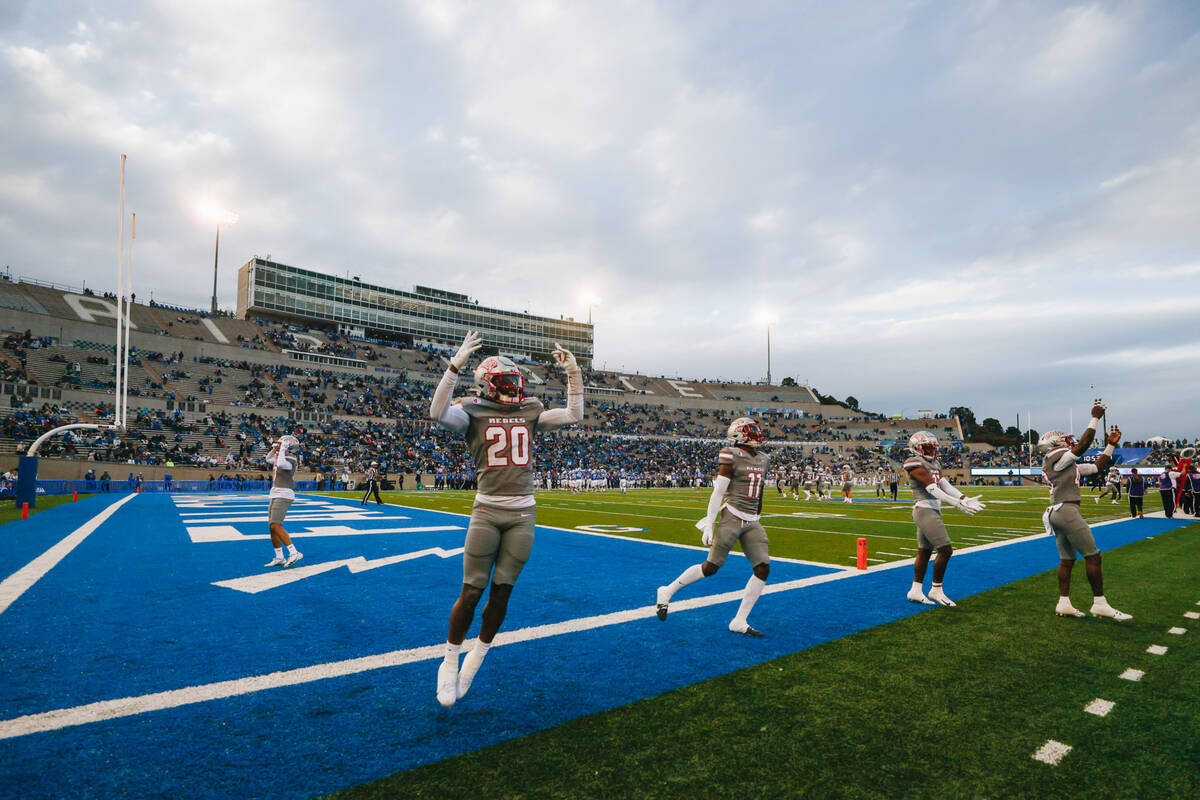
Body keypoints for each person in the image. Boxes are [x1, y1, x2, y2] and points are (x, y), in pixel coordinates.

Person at [430, 331, 583, 707]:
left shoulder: (529, 410)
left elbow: (574, 414)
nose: (514, 389)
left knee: (503, 592)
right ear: (485, 385)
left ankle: (476, 660)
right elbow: (436, 413)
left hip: (523, 513)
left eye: (516, 382)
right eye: (506, 383)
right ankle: (449, 662)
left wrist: (574, 374)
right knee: (471, 590)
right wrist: (454, 366)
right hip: (487, 509)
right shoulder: (471, 411)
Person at [656, 417, 771, 637]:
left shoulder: (764, 458)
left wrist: (757, 514)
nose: (756, 433)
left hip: (751, 520)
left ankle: (739, 620)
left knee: (763, 567)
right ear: (739, 434)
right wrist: (710, 525)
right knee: (711, 567)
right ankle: (666, 591)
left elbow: (759, 492)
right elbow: (718, 492)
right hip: (733, 516)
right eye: (751, 430)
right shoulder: (730, 454)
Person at [1039, 401, 1129, 620]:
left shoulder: (1065, 464)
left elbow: (1098, 466)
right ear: (1054, 443)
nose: (1068, 442)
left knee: (1067, 560)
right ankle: (1100, 603)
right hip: (1066, 510)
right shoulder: (1056, 460)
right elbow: (1083, 445)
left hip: (1056, 512)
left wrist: (1110, 446)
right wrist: (1095, 418)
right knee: (1093, 556)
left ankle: (1063, 602)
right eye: (1064, 440)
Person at [903, 431, 984, 607]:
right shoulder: (913, 461)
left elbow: (943, 484)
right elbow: (931, 488)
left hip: (932, 509)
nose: (932, 451)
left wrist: (963, 498)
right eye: (927, 448)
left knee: (924, 552)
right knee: (946, 550)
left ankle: (915, 590)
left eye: (933, 448)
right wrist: (955, 503)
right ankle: (936, 589)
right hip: (924, 509)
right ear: (916, 448)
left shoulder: (935, 463)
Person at [263, 435, 303, 568]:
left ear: (287, 446)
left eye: (280, 443)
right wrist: (274, 450)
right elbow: (268, 459)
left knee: (275, 525)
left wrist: (281, 450)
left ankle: (293, 552)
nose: (277, 444)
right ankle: (279, 557)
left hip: (284, 493)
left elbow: (281, 464)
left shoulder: (291, 458)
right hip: (275, 493)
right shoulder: (280, 455)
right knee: (272, 527)